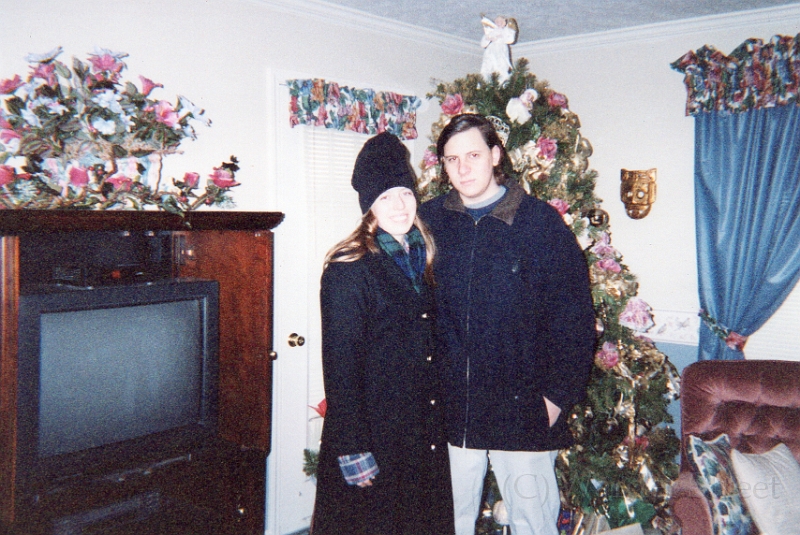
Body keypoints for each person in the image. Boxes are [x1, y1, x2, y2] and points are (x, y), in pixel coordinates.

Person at [418, 114, 596, 535]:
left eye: (473, 155)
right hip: (449, 409)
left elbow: (574, 320)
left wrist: (555, 399)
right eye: (452, 159)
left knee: (532, 523)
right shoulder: (428, 220)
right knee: (446, 522)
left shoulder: (539, 223)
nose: (463, 168)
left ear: (496, 156)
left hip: (523, 409)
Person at [311, 132, 454, 535]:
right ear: (369, 205)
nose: (400, 206)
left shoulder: (424, 258)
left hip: (422, 435)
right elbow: (340, 369)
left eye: (406, 194)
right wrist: (353, 449)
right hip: (376, 438)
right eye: (386, 196)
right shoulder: (349, 269)